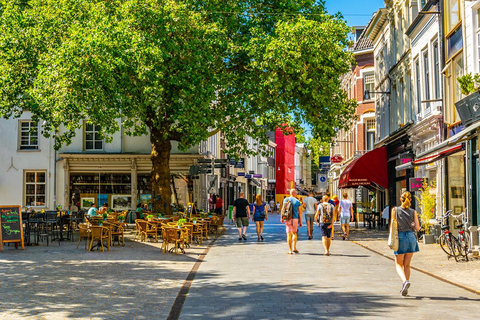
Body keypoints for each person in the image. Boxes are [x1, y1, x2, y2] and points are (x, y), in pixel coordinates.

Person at [392, 191, 420, 297]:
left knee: (398, 264)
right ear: (410, 200)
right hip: (411, 237)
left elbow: (392, 226)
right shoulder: (413, 212)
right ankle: (405, 286)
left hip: (400, 237)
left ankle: (404, 282)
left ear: (400, 199)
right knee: (407, 265)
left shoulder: (395, 210)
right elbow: (417, 227)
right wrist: (412, 225)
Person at [282, 189, 302, 254]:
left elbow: (283, 209)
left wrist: (282, 217)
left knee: (288, 234)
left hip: (287, 218)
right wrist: (301, 221)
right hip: (295, 218)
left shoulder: (286, 200)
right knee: (294, 233)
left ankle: (290, 250)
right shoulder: (297, 201)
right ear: (294, 193)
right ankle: (294, 248)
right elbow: (300, 212)